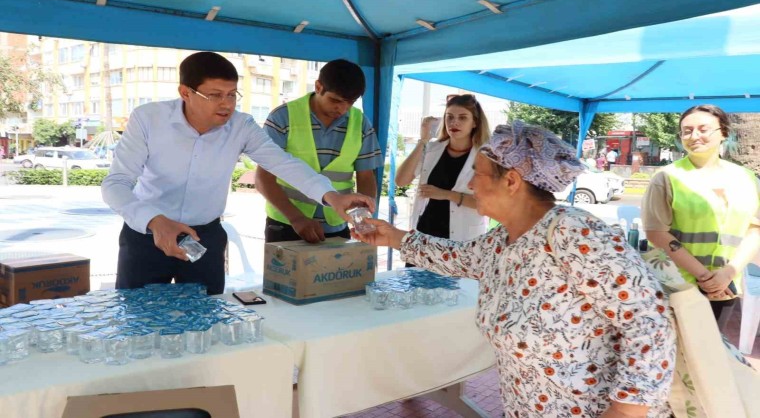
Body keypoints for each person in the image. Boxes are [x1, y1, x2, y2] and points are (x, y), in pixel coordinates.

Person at [353, 121, 675, 418]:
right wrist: (393, 237)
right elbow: (458, 256)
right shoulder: (502, 238)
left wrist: (624, 411)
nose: (468, 183)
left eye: (476, 174)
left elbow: (650, 320)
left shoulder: (574, 232)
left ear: (511, 181)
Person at [102, 52, 373, 295]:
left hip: (204, 238)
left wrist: (331, 197)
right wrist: (154, 221)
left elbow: (284, 163)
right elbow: (116, 184)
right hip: (147, 235)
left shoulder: (241, 125)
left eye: (232, 94)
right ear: (185, 92)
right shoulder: (148, 119)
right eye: (215, 95)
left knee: (206, 323)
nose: (227, 104)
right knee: (137, 317)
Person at [642, 104, 760, 323]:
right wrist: (705, 277)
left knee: (713, 352)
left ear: (723, 132)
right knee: (677, 353)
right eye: (686, 131)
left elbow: (755, 230)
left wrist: (725, 275)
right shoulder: (667, 177)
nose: (694, 136)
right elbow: (656, 233)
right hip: (676, 286)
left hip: (724, 288)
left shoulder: (746, 178)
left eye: (703, 129)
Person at [256, 59, 383, 243]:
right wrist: (296, 218)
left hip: (337, 224)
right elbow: (263, 179)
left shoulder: (360, 123)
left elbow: (366, 176)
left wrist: (363, 221)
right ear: (318, 87)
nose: (342, 108)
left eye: (350, 102)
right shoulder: (283, 117)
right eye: (335, 100)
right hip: (285, 223)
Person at [395, 94, 490, 245]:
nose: (454, 122)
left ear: (475, 123)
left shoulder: (486, 156)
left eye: (463, 117)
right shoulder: (432, 149)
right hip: (424, 234)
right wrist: (423, 141)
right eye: (449, 117)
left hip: (462, 239)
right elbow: (401, 181)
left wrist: (446, 195)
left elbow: (489, 205)